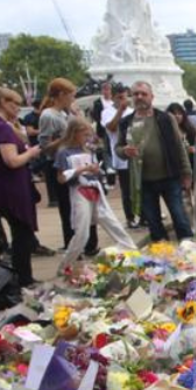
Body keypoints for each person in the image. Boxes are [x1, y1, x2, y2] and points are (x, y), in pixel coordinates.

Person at [0, 87, 43, 287]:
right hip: (11, 187)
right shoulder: (0, 128)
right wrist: (31, 152)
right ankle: (24, 278)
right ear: (5, 103)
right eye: (15, 103)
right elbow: (12, 160)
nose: (18, 108)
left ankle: (21, 276)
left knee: (19, 232)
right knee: (22, 233)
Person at [54, 117, 136, 273]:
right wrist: (81, 170)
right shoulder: (64, 152)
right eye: (84, 135)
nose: (87, 138)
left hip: (95, 190)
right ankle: (66, 264)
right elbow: (61, 178)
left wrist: (97, 171)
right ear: (74, 133)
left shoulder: (89, 150)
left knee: (112, 222)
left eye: (88, 135)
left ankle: (131, 250)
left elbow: (96, 172)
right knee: (82, 232)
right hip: (79, 191)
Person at [118, 81, 194, 242]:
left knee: (179, 216)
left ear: (151, 97)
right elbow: (117, 149)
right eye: (136, 94)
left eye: (143, 94)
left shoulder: (166, 118)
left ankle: (190, 249)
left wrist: (186, 172)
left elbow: (179, 145)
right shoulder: (126, 122)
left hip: (169, 176)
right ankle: (163, 254)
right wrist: (124, 151)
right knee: (153, 222)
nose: (139, 97)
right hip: (143, 181)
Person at [38, 78, 92, 254]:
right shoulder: (48, 115)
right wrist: (67, 137)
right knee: (68, 207)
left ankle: (85, 242)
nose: (73, 99)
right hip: (60, 163)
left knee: (82, 203)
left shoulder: (66, 113)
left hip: (77, 161)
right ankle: (72, 244)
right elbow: (44, 147)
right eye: (71, 96)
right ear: (61, 95)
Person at [102, 83, 141, 228]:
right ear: (113, 98)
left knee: (140, 186)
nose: (122, 100)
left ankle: (143, 215)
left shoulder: (133, 111)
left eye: (124, 97)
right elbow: (111, 127)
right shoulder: (107, 112)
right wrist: (120, 110)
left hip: (137, 155)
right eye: (119, 98)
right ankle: (130, 217)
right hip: (121, 156)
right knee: (127, 189)